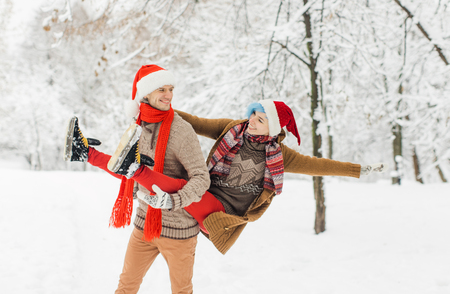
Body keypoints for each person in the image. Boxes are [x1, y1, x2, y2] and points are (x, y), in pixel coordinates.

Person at [74, 99, 387, 256]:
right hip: (203, 191)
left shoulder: (281, 156)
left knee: (158, 177)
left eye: (260, 119)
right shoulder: (231, 130)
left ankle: (131, 168)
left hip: (222, 216)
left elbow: (322, 166)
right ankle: (84, 153)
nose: (252, 121)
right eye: (253, 114)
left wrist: (360, 170)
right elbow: (193, 122)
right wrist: (155, 106)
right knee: (155, 173)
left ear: (274, 128)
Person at [64, 64, 210, 294]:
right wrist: (89, 155)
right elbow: (128, 171)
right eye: (161, 89)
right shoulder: (139, 126)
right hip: (144, 227)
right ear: (146, 94)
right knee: (126, 287)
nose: (168, 95)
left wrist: (172, 201)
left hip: (179, 231)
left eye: (170, 89)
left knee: (182, 291)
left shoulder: (181, 131)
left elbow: (202, 179)